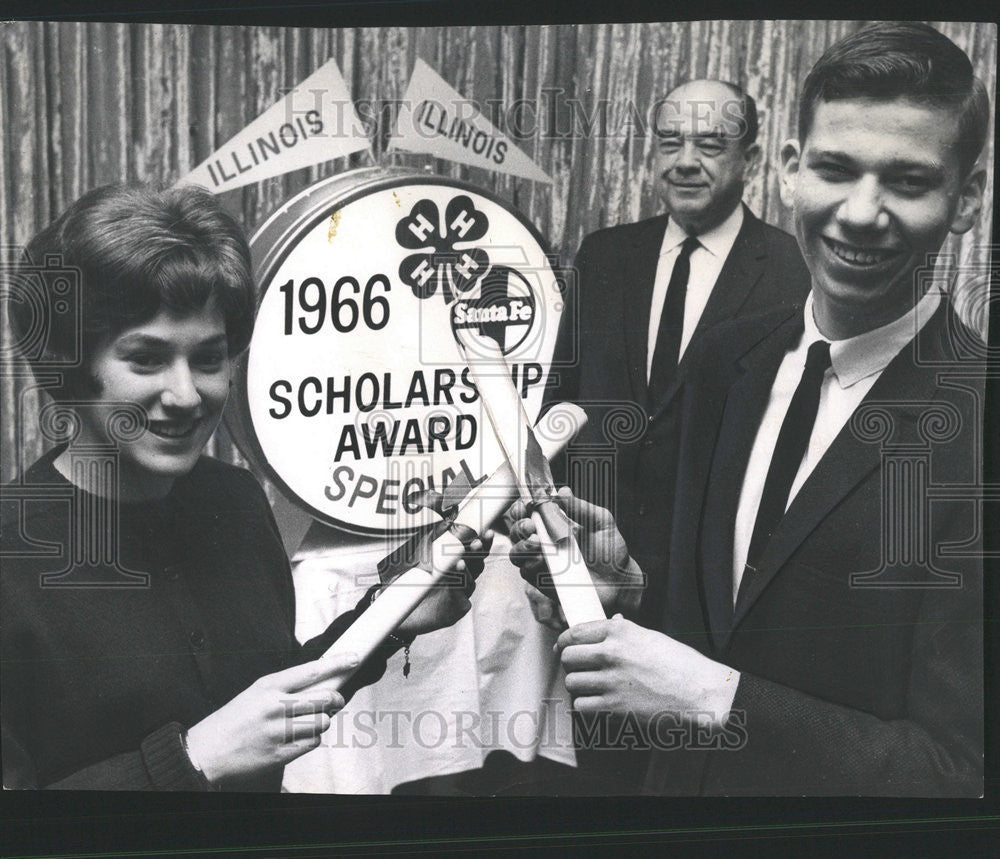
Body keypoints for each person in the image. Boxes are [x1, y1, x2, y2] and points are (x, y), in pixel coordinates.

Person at [511, 22, 988, 795]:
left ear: (966, 198)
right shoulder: (728, 360)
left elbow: (961, 771)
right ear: (794, 172)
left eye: (907, 181)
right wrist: (627, 583)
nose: (861, 213)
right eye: (836, 169)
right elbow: (708, 614)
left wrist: (716, 700)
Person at [0, 184, 491, 791]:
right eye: (146, 359)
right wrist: (192, 759)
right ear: (71, 365)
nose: (185, 395)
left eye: (209, 359)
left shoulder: (233, 499)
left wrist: (390, 615)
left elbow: (268, 696)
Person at [547, 79, 809, 627]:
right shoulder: (603, 257)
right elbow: (561, 405)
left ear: (751, 160)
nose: (685, 162)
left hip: (715, 598)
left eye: (710, 145)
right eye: (670, 142)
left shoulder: (793, 272)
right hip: (592, 578)